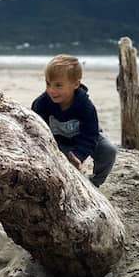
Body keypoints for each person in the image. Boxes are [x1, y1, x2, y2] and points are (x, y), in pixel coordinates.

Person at [32, 54, 116, 187]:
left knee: (108, 150)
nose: (51, 90)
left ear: (76, 84)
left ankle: (94, 183)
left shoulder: (85, 106)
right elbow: (36, 130)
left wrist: (79, 155)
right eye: (48, 84)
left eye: (58, 85)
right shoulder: (41, 104)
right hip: (58, 143)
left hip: (84, 139)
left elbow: (90, 135)